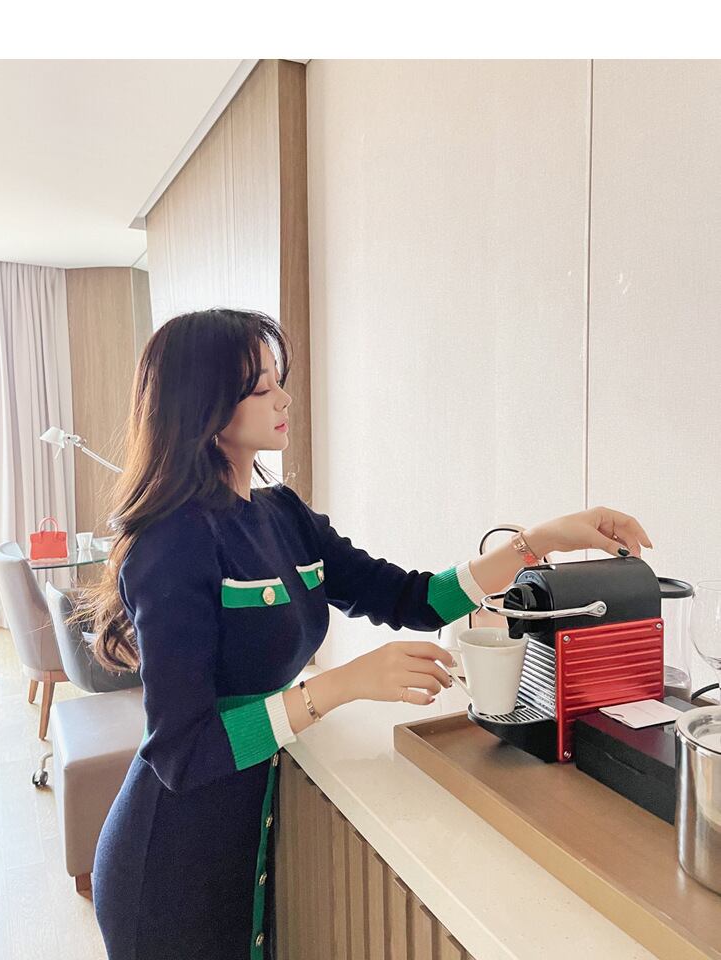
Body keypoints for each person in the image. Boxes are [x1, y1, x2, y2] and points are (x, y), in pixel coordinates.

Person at [78, 308, 653, 960]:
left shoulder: (283, 515)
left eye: (278, 381)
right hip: (170, 866)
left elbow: (412, 598)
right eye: (261, 388)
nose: (283, 399)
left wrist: (539, 540)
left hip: (245, 836)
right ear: (204, 409)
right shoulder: (171, 544)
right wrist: (342, 685)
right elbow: (182, 752)